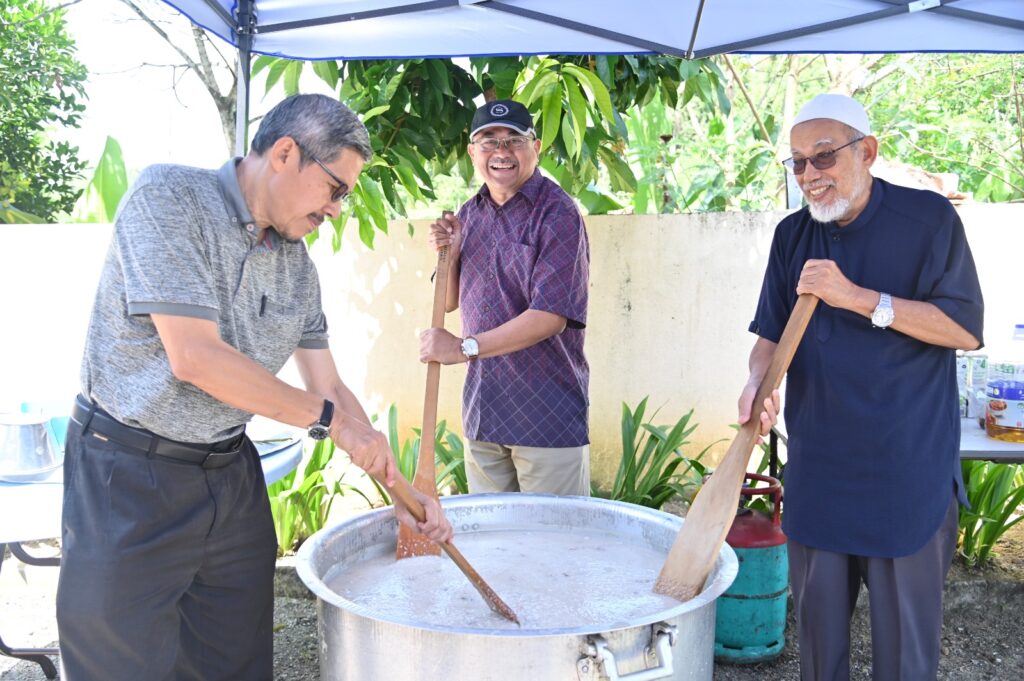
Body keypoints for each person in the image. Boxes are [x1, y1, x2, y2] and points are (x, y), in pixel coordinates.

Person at [56, 93, 452, 681]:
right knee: (121, 667)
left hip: (230, 477)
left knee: (234, 664)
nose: (339, 208)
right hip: (128, 474)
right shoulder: (169, 198)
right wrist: (330, 421)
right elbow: (195, 357)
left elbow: (330, 386)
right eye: (336, 188)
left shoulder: (297, 266)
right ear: (286, 153)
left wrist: (403, 493)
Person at [740, 93, 984, 680]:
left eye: (822, 158)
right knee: (819, 653)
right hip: (821, 472)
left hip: (908, 473)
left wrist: (858, 298)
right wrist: (757, 382)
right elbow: (770, 336)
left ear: (867, 151)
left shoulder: (929, 221)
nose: (809, 176)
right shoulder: (792, 235)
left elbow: (963, 329)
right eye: (796, 163)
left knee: (904, 657)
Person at [419, 99, 590, 496]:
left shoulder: (558, 214)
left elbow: (550, 316)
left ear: (537, 146)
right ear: (472, 152)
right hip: (484, 413)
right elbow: (447, 302)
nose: (501, 151)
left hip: (545, 418)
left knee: (551, 549)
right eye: (488, 141)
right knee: (494, 549)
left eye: (514, 139)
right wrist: (452, 253)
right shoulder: (469, 213)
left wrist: (463, 348)